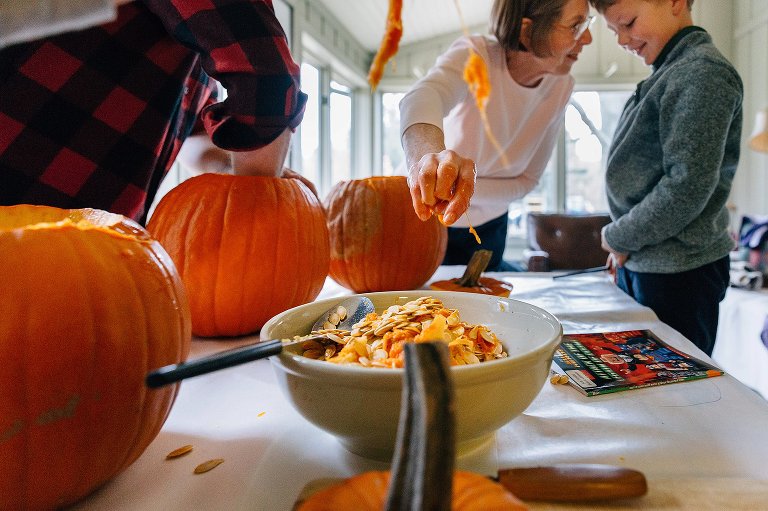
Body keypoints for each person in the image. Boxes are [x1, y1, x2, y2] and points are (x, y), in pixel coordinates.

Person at [0, 0, 308, 225]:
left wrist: (231, 172)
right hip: (23, 221)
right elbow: (266, 80)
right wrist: (264, 196)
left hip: (90, 243)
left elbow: (193, 136)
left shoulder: (191, 59)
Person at [589, 0, 742, 356]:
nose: (622, 40)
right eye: (614, 30)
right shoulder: (671, 71)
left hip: (678, 274)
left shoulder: (701, 72)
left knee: (672, 395)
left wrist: (617, 236)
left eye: (628, 23)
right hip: (651, 262)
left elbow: (685, 187)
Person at [399, 0, 594, 271]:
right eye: (576, 25)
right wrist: (427, 162)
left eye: (586, 24)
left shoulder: (562, 86)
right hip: (427, 222)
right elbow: (423, 96)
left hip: (492, 227)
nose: (587, 38)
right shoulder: (477, 55)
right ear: (527, 31)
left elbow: (528, 180)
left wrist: (459, 189)